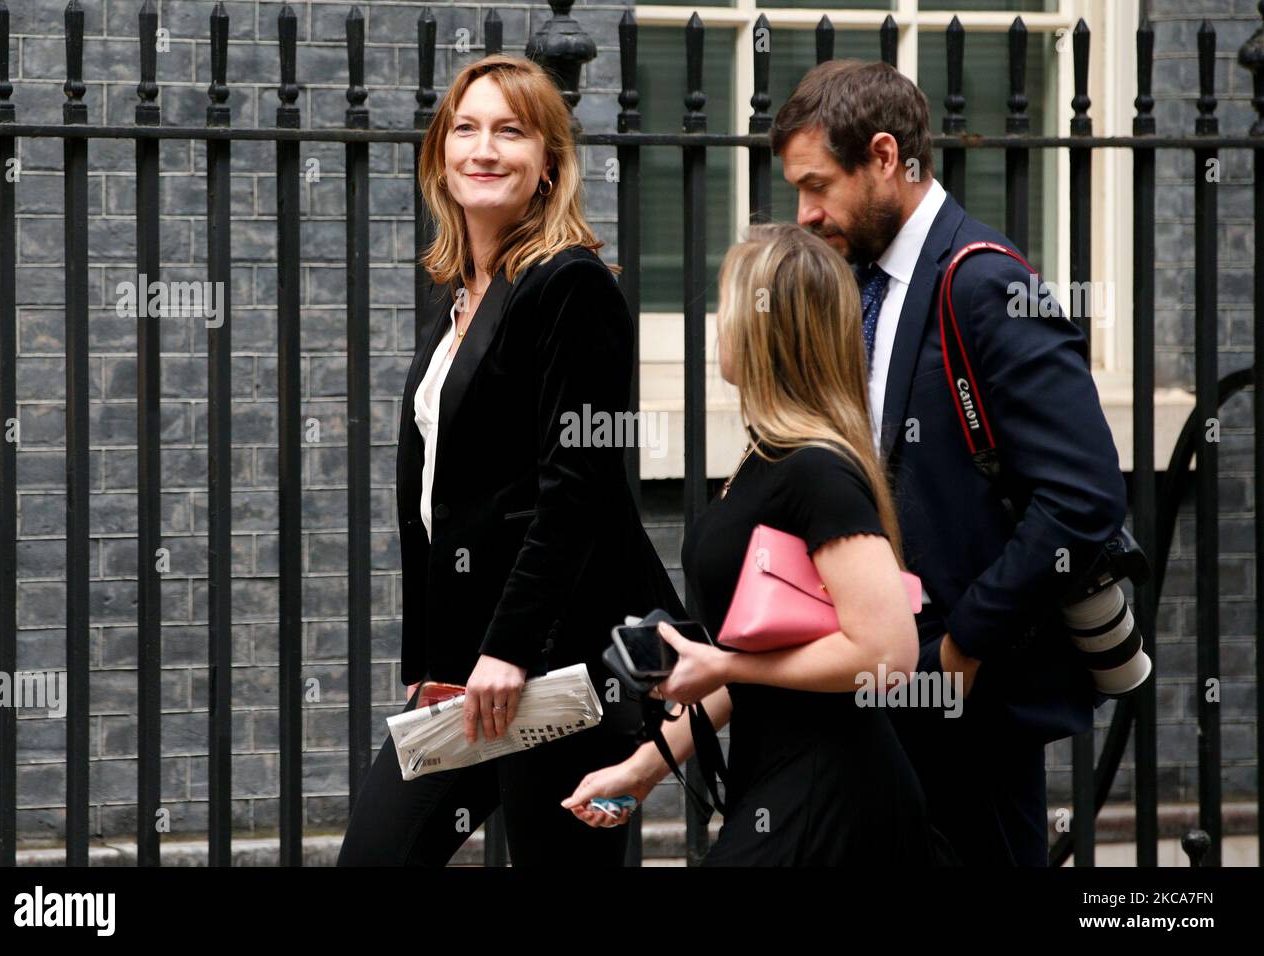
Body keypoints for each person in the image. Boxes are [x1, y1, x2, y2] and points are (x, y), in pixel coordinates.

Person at [765, 60, 1129, 865]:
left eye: (818, 185)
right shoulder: (864, 279)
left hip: (974, 702)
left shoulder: (987, 283)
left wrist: (965, 643)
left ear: (886, 156)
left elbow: (1085, 494)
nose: (806, 213)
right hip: (890, 693)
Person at [336, 54, 684, 867]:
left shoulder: (571, 286)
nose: (483, 149)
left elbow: (578, 489)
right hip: (469, 670)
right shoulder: (458, 291)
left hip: (557, 662)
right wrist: (432, 662)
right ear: (440, 154)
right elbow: (435, 497)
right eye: (465, 129)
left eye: (510, 131)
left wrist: (509, 649)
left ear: (549, 164)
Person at [562, 223, 946, 866]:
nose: (719, 325)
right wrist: (643, 767)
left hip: (832, 792)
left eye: (729, 308)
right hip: (778, 782)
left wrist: (728, 665)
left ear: (771, 331)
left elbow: (889, 652)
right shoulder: (766, 457)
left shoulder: (816, 470)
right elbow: (748, 656)